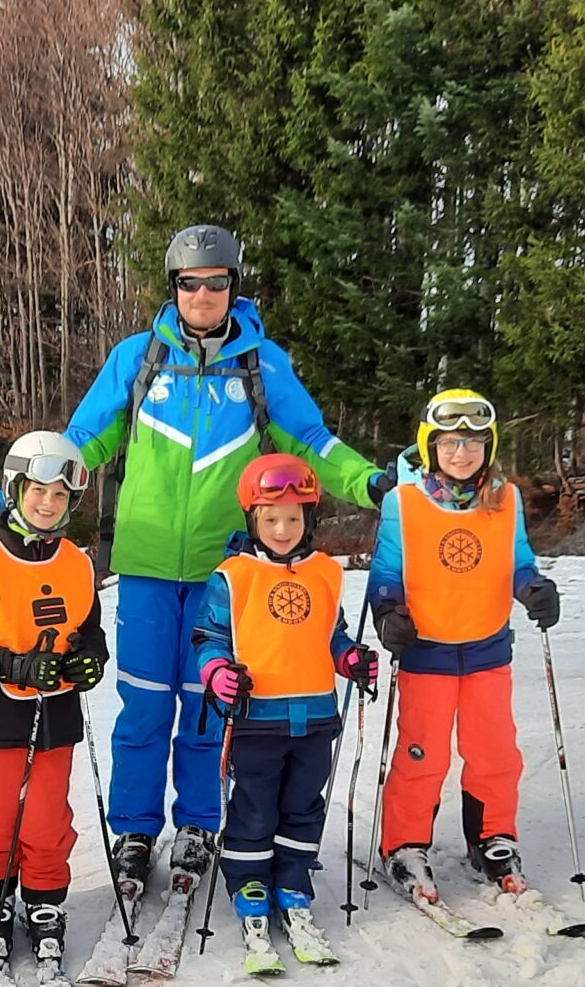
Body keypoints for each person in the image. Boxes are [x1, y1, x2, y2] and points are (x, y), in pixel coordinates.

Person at [65, 224, 391, 905]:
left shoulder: (262, 365)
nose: (204, 294)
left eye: (216, 282)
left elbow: (310, 438)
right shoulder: (138, 359)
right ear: (174, 288)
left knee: (208, 703)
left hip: (227, 571)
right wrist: (37, 481)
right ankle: (134, 830)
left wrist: (368, 482)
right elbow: (86, 437)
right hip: (148, 564)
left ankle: (197, 823)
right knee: (143, 707)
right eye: (191, 283)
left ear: (233, 287)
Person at [366, 389, 561, 898]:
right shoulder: (404, 502)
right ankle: (405, 844)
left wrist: (534, 589)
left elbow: (518, 560)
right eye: (449, 442)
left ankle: (493, 839)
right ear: (430, 446)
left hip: (486, 650)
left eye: (474, 442)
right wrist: (387, 611)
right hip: (426, 652)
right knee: (422, 754)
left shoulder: (506, 499)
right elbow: (386, 570)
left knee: (495, 752)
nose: (461, 452)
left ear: (488, 447)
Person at [0, 431, 110, 987]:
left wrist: (90, 660)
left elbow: (89, 630)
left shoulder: (78, 562)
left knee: (47, 816)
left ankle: (43, 902)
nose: (48, 503)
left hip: (56, 715)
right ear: (14, 489)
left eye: (60, 495)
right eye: (38, 490)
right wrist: (10, 665)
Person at [191, 453, 378, 975]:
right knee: (255, 805)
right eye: (270, 518)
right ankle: (250, 883)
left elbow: (333, 635)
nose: (282, 528)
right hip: (257, 718)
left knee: (303, 804)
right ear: (252, 519)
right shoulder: (233, 576)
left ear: (309, 518)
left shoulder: (325, 572)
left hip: (315, 717)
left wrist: (350, 659)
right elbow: (208, 638)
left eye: (293, 518)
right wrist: (217, 674)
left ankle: (293, 878)